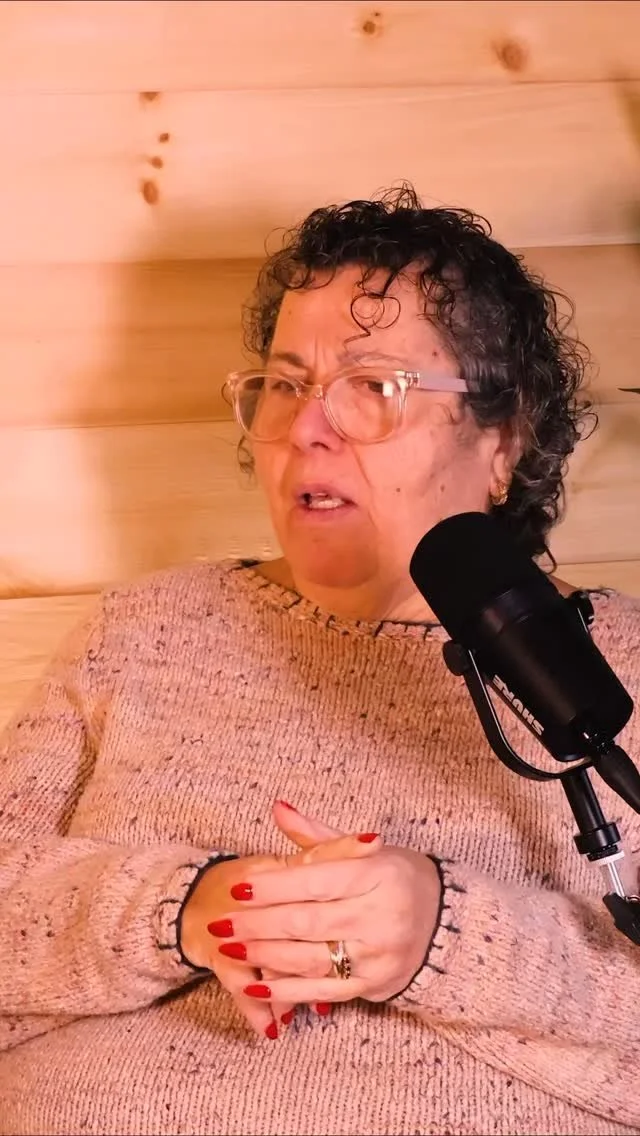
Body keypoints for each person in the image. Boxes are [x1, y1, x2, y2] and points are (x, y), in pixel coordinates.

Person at [0, 184, 639, 1136]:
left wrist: (443, 934)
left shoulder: (623, 662)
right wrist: (187, 910)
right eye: (284, 384)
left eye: (373, 387)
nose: (305, 428)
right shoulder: (142, 632)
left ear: (503, 441)